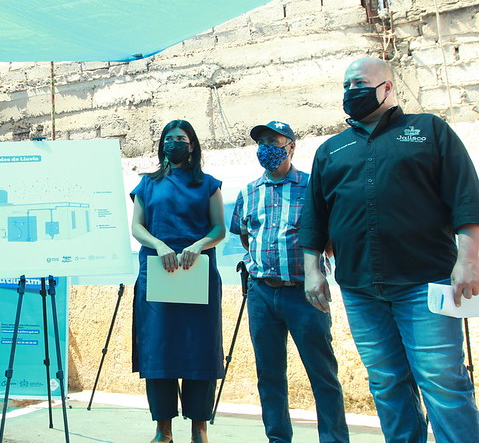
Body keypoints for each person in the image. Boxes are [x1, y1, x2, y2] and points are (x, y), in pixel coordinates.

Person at [300, 57, 479, 443]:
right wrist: (312, 271)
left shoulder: (429, 130)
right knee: (385, 382)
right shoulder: (331, 150)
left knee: (442, 381)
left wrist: (469, 260)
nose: (351, 91)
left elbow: (466, 197)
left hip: (425, 284)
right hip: (361, 289)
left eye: (360, 83)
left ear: (387, 87)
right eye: (346, 85)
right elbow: (314, 217)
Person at [230, 121, 349, 443]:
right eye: (261, 142)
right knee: (269, 374)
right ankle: (278, 438)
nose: (265, 147)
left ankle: (334, 439)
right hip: (262, 294)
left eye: (273, 141)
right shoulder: (248, 192)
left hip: (306, 296)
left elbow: (330, 240)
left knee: (322, 374)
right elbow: (245, 237)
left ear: (291, 146)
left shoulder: (313, 188)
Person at [130, 119, 227, 443]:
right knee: (159, 351)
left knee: (200, 350)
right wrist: (158, 245)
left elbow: (218, 229)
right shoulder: (147, 184)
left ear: (193, 145)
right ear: (162, 145)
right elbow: (138, 227)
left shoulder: (209, 184)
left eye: (181, 138)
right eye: (169, 138)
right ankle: (163, 429)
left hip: (196, 274)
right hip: (157, 274)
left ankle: (199, 428)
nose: (175, 143)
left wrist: (198, 246)